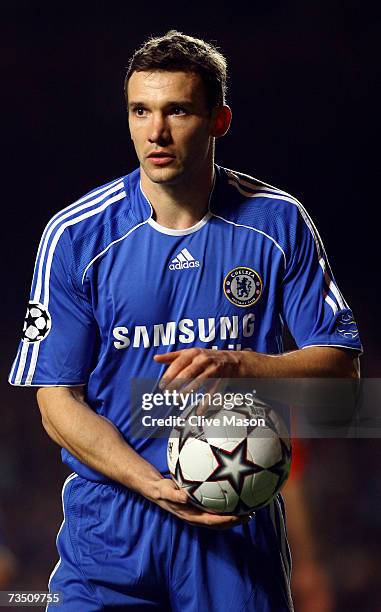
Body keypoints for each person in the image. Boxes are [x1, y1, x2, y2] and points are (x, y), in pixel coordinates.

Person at [9, 30, 362, 611]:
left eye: (178, 110)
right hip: (110, 529)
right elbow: (55, 401)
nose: (156, 132)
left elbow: (343, 377)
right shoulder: (75, 235)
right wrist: (154, 486)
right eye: (140, 111)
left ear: (219, 120)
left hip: (237, 521)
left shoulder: (278, 224)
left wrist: (242, 363)